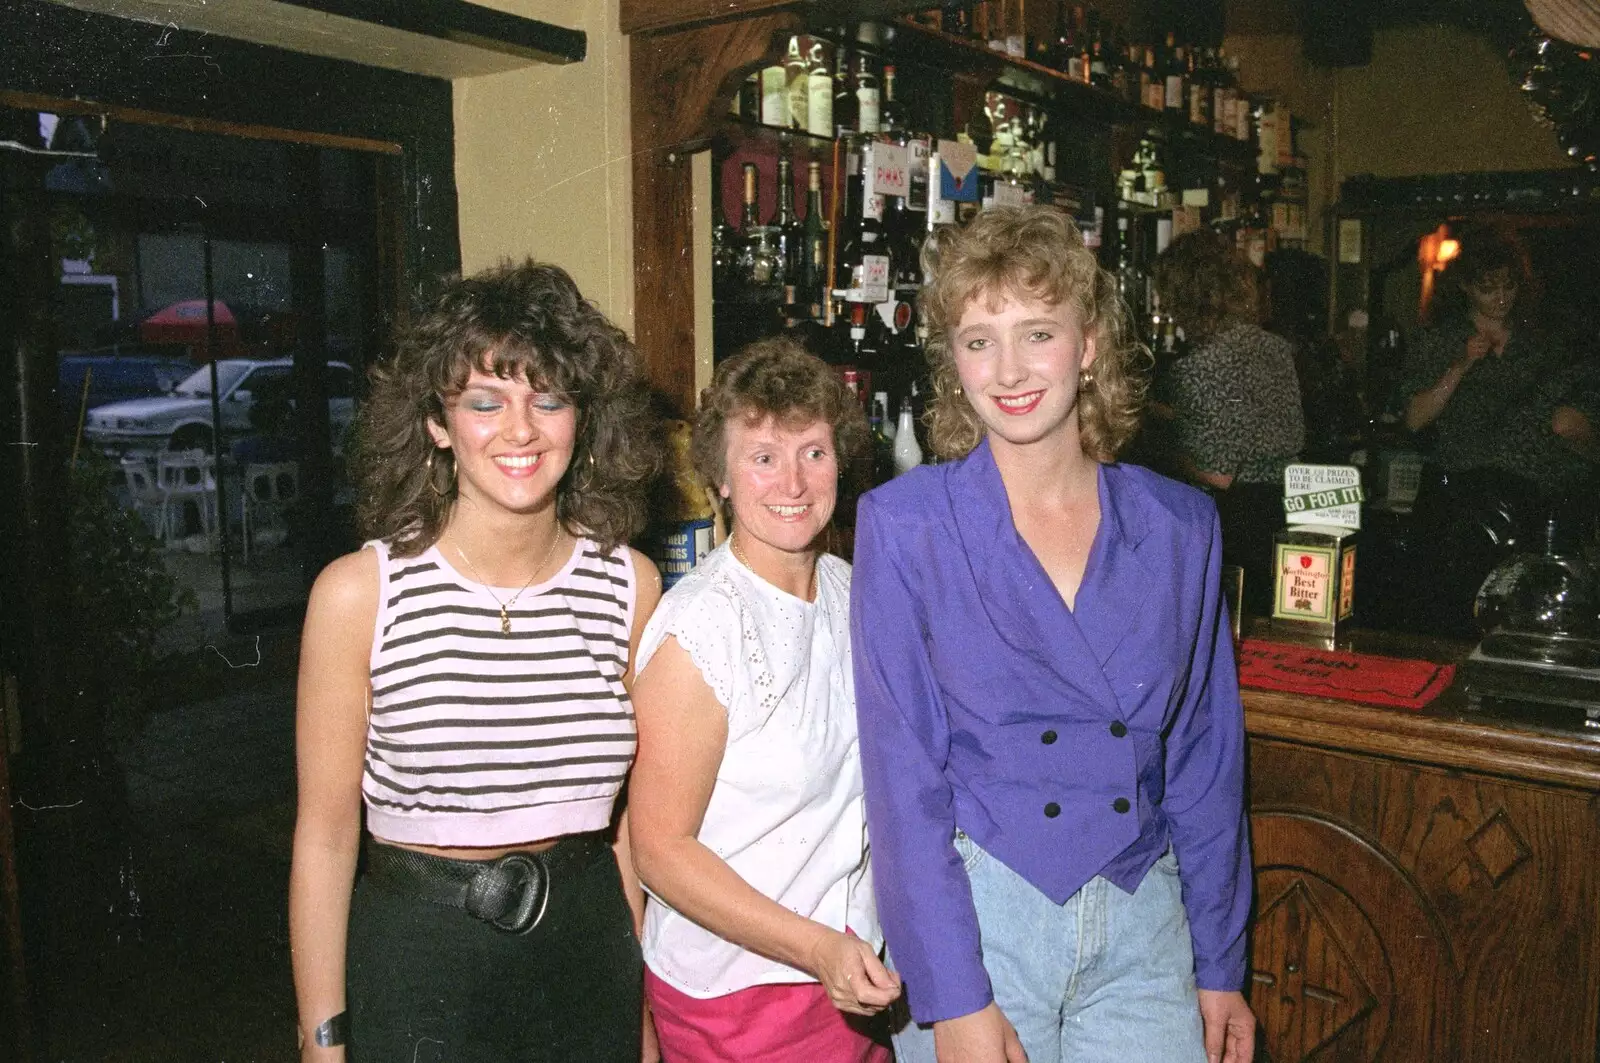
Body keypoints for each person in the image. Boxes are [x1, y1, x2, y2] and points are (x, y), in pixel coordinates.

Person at [851, 205, 1255, 1063]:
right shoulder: (905, 524)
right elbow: (903, 784)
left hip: (1144, 918)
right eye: (977, 339)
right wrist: (951, 996)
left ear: (1092, 344)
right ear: (951, 363)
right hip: (982, 922)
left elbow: (1205, 760)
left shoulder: (1183, 525)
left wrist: (1222, 961)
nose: (1009, 370)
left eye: (1038, 332)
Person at [288, 260, 663, 1061]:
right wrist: (322, 1040)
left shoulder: (630, 586)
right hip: (419, 961)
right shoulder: (359, 594)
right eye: (485, 402)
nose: (520, 430)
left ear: (583, 418)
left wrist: (642, 1020)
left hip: (586, 953)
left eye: (549, 399)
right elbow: (324, 837)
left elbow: (629, 832)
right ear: (437, 423)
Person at [628, 337, 898, 1063]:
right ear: (720, 476)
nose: (794, 481)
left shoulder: (854, 589)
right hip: (738, 994)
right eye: (763, 456)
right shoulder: (700, 630)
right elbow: (660, 850)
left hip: (851, 973)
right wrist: (817, 949)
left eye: (813, 451)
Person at [1154, 230, 1305, 614]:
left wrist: (1162, 453)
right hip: (1286, 509)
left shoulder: (1199, 366)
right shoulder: (1274, 347)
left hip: (1237, 523)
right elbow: (1248, 417)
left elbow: (1216, 473)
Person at [1400, 225, 1598, 503]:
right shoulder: (1440, 338)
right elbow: (1414, 419)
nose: (1502, 298)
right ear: (1465, 286)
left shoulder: (1539, 339)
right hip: (1462, 483)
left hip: (1533, 487)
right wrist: (1459, 367)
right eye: (1488, 289)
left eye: (1509, 286)